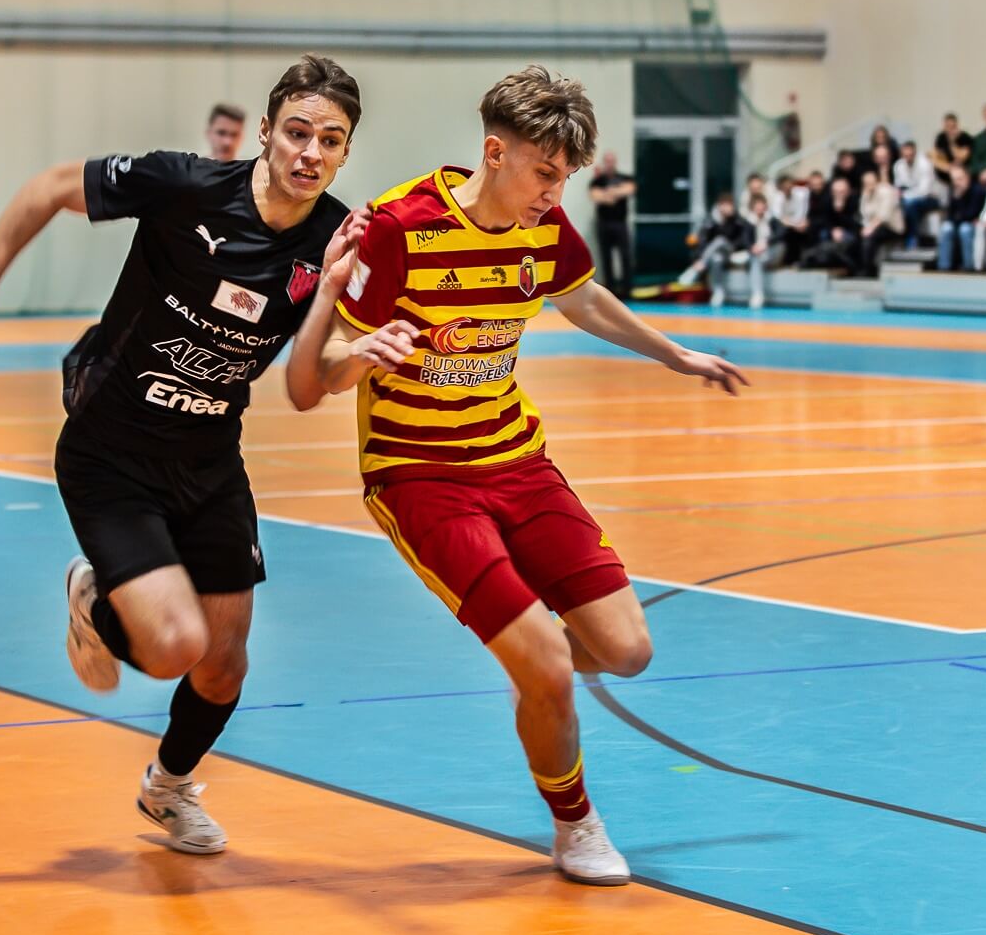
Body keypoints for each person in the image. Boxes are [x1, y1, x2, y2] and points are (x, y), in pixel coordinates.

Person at [286, 65, 747, 886]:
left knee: (628, 649)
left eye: (565, 176)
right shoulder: (398, 228)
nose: (553, 191)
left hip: (516, 460)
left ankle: (533, 672)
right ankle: (575, 824)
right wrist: (364, 353)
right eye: (544, 172)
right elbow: (320, 368)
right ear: (494, 153)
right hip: (419, 474)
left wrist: (674, 353)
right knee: (544, 660)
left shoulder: (543, 223)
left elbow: (584, 298)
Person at [0, 55, 367, 855]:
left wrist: (362, 350)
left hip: (209, 458)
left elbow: (308, 383)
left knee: (224, 663)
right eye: (297, 132)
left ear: (344, 154)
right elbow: (52, 187)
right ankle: (95, 597)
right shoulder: (187, 185)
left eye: (329, 140)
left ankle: (168, 789)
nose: (310, 151)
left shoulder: (333, 239)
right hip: (112, 447)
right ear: (266, 133)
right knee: (172, 648)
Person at [586, 152, 636, 300]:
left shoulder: (625, 178)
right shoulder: (597, 181)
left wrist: (608, 193)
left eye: (611, 161)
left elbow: (629, 189)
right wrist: (615, 193)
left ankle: (628, 291)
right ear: (604, 162)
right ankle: (611, 291)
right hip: (604, 224)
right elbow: (596, 197)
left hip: (620, 223)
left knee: (626, 256)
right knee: (606, 258)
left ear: (615, 162)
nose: (609, 163)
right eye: (607, 161)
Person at [894, 139, 939, 248]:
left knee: (910, 205)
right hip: (909, 198)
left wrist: (905, 195)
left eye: (910, 155)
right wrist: (903, 195)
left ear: (915, 152)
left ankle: (912, 238)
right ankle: (901, 238)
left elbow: (924, 191)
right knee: (900, 205)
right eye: (905, 155)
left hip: (930, 198)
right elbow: (899, 187)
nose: (908, 158)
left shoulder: (925, 164)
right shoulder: (898, 165)